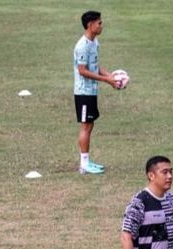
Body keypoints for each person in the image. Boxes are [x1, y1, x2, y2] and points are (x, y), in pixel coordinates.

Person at [74, 11, 121, 175]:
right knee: (86, 125)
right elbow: (82, 71)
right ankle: (84, 164)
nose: (101, 25)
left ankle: (86, 161)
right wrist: (106, 80)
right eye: (99, 23)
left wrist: (110, 76)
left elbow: (95, 66)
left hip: (91, 91)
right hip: (83, 92)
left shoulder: (94, 42)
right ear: (90, 25)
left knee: (90, 124)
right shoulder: (82, 45)